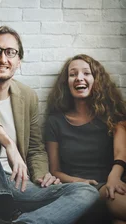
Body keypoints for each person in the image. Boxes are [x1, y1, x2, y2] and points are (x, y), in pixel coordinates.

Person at [0, 26, 98, 223]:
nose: (3, 59)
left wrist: (41, 175)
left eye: (10, 52)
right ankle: (0, 200)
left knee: (87, 192)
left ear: (18, 61)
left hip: (18, 185)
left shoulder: (27, 96)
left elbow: (36, 147)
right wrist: (8, 143)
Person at [45, 54, 126, 224]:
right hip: (78, 191)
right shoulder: (55, 121)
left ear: (96, 79)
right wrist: (81, 182)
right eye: (73, 74)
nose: (79, 78)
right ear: (66, 83)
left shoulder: (112, 115)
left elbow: (121, 152)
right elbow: (55, 170)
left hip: (111, 183)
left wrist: (114, 178)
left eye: (86, 73)